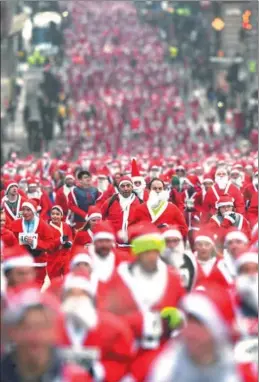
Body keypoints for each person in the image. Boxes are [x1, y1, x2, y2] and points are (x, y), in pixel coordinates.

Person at [100, 222, 185, 381]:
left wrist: (177, 316)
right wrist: (140, 321)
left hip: (162, 352)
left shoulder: (172, 279)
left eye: (154, 251)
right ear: (137, 254)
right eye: (146, 252)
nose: (152, 256)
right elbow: (108, 317)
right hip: (129, 352)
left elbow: (184, 310)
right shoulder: (119, 279)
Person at [147, 284, 254, 382]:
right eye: (188, 321)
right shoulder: (160, 367)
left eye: (199, 324)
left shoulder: (242, 374)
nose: (189, 332)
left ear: (217, 330)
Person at [58, 271, 135, 382]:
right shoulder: (50, 327)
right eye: (71, 293)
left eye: (82, 293)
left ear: (91, 299)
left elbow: (121, 362)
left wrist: (98, 370)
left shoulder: (112, 327)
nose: (76, 298)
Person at [1, 286, 89, 381]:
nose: (35, 336)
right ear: (13, 332)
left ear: (55, 332)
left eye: (42, 326)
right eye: (26, 327)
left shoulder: (74, 377)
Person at [11, 201, 54, 286]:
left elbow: (51, 244)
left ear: (34, 211)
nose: (25, 212)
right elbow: (11, 241)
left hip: (38, 264)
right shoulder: (16, 224)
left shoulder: (43, 225)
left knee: (35, 291)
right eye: (23, 210)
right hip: (21, 264)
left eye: (28, 210)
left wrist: (35, 243)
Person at [160, 226, 196, 291]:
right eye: (168, 241)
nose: (172, 245)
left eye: (175, 241)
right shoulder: (157, 260)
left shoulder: (188, 259)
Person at [47, 205, 73, 280]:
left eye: (57, 214)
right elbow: (49, 244)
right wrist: (60, 240)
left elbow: (70, 236)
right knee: (55, 280)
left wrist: (70, 243)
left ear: (61, 215)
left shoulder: (65, 226)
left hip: (66, 257)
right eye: (53, 214)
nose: (55, 216)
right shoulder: (47, 228)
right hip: (53, 258)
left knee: (68, 278)